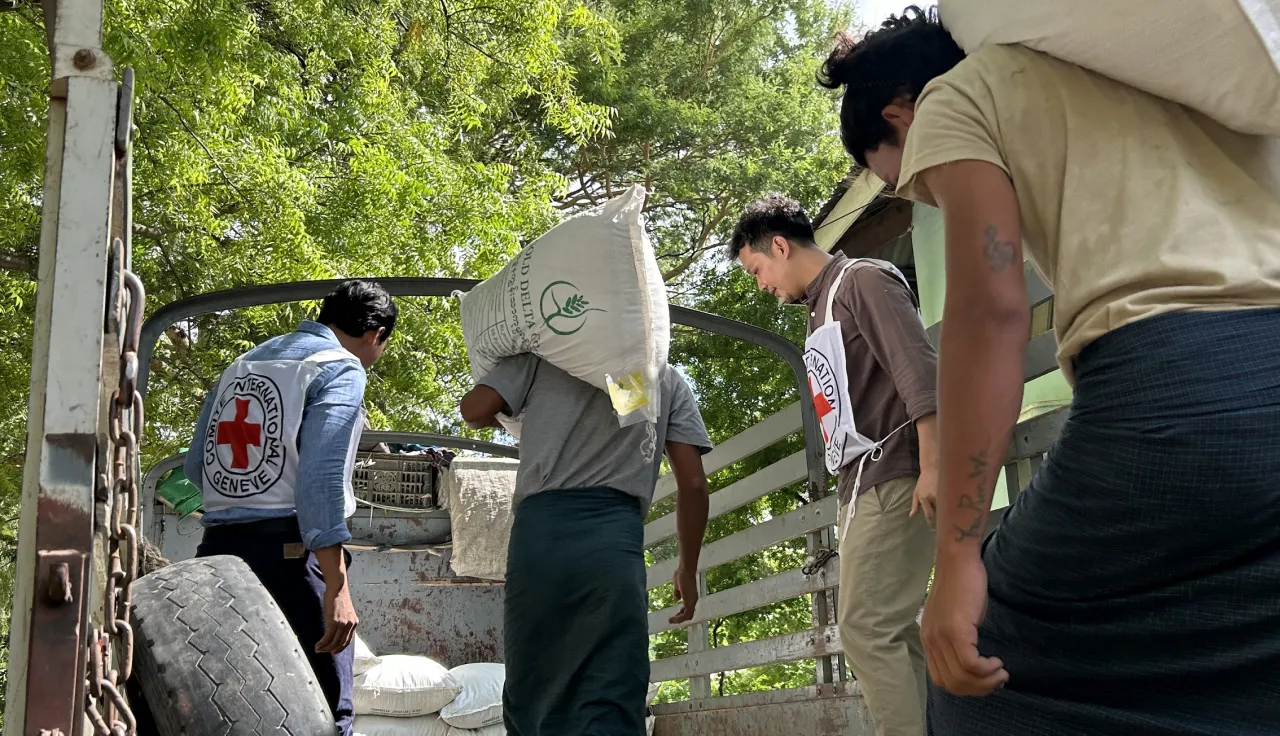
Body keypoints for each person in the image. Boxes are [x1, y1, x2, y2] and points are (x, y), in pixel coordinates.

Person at [818, 6, 1280, 734]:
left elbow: (991, 309)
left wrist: (959, 556)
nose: (927, 191)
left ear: (901, 112)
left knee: (979, 673)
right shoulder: (1189, 79)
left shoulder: (959, 95)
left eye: (906, 179)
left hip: (1178, 397)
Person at [730, 194, 939, 736]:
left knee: (866, 627)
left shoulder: (864, 281)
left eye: (757, 270)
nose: (761, 285)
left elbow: (917, 370)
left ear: (779, 245)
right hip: (861, 486)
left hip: (897, 472)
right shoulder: (819, 308)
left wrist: (935, 466)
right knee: (893, 632)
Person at [185, 279, 398, 736]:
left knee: (229, 711)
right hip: (289, 560)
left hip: (216, 556)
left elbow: (195, 467)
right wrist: (336, 588)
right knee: (324, 716)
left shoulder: (242, 364)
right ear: (375, 334)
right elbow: (320, 483)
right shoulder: (340, 367)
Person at [460, 357, 711, 736]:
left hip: (540, 541)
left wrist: (524, 416)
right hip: (612, 543)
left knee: (534, 684)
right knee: (610, 683)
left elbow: (474, 410)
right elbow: (693, 485)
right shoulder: (662, 377)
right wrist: (687, 567)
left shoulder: (546, 358)